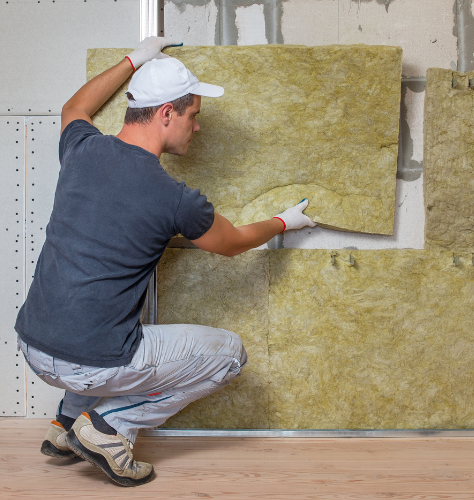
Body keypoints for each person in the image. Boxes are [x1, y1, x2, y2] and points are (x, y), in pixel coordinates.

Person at [14, 37, 316, 487]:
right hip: (87, 363)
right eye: (193, 115)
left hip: (33, 346)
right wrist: (283, 222)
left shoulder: (81, 149)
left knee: (103, 316)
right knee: (229, 355)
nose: (197, 127)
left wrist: (134, 59)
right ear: (167, 113)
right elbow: (233, 243)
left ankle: (66, 424)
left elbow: (74, 108)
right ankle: (106, 429)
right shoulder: (174, 198)